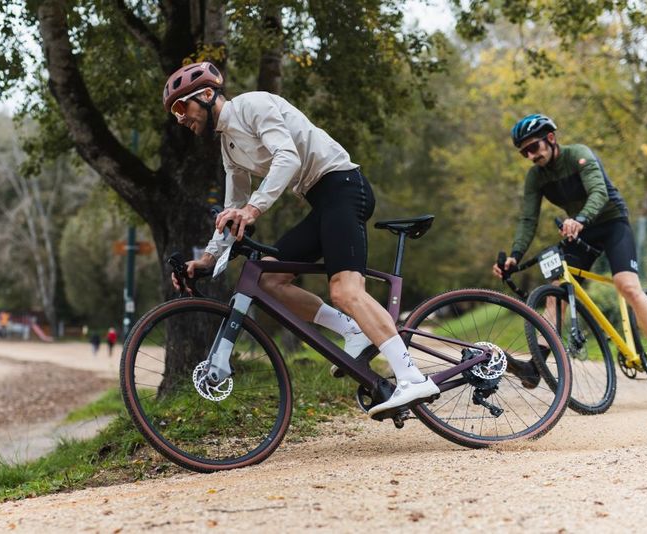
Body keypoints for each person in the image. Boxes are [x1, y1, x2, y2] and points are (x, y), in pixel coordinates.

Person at [162, 61, 439, 417]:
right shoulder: (229, 146)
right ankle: (353, 332)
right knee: (270, 279)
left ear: (205, 94)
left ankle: (412, 377)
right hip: (321, 200)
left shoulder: (252, 106)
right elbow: (232, 207)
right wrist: (207, 259)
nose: (180, 119)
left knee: (345, 291)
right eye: (175, 114)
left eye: (181, 107)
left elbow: (287, 157)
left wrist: (254, 210)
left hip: (343, 186)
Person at [492, 113, 647, 385]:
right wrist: (514, 256)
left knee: (626, 285)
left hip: (611, 222)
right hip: (579, 230)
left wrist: (580, 219)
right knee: (556, 292)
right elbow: (528, 219)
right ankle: (535, 367)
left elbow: (599, 192)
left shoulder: (578, 154)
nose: (531, 156)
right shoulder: (536, 177)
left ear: (551, 139)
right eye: (524, 153)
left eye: (534, 147)